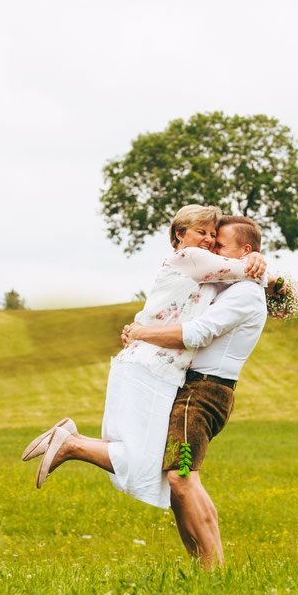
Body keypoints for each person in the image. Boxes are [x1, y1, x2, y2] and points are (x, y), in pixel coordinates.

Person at [22, 205, 269, 511]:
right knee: (143, 461)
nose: (208, 240)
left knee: (142, 455)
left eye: (212, 235)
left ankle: (70, 440)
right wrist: (257, 260)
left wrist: (255, 259)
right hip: (150, 366)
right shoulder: (192, 258)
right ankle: (71, 444)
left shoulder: (203, 269)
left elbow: (238, 276)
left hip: (151, 364)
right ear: (179, 234)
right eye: (202, 233)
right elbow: (249, 272)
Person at [122, 216, 268, 568]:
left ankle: (215, 569)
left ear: (246, 252)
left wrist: (141, 333)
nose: (211, 250)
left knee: (182, 475)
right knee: (177, 479)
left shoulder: (245, 293)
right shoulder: (230, 285)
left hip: (203, 394)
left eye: (220, 245)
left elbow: (196, 333)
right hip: (191, 390)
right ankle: (202, 564)